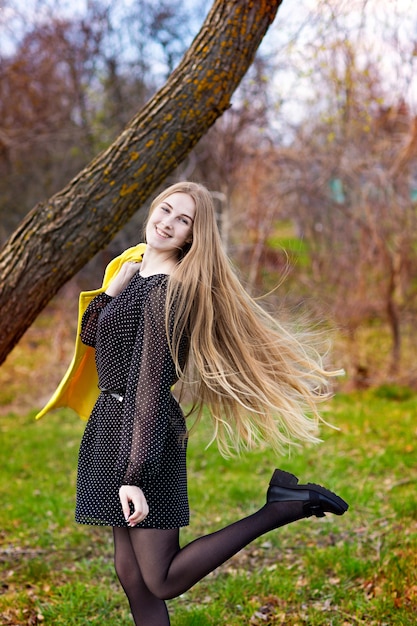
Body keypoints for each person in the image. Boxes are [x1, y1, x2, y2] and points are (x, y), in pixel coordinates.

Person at [45, 181, 348, 625]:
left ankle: (281, 507)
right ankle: (282, 504)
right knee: (130, 573)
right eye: (165, 211)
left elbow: (149, 381)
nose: (167, 223)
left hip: (141, 434)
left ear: (192, 235)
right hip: (109, 426)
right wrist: (111, 292)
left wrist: (135, 475)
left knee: (162, 578)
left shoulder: (167, 291)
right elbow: (94, 338)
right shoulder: (135, 273)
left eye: (182, 220)